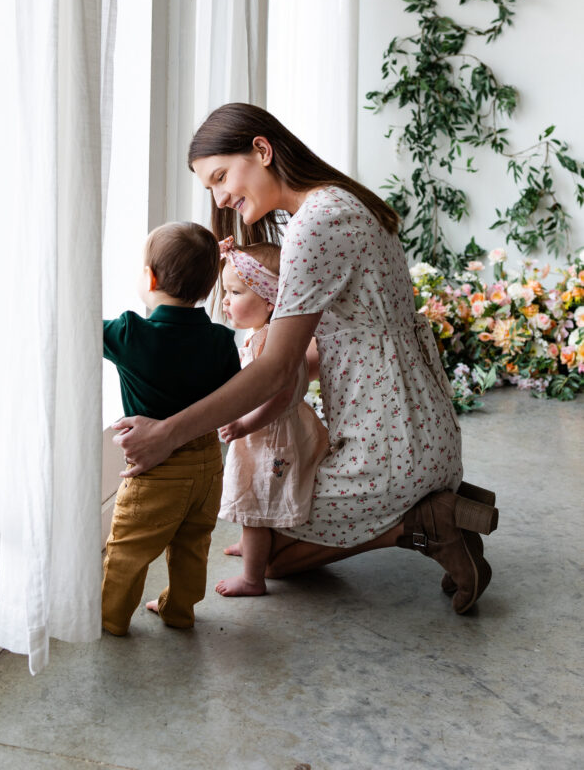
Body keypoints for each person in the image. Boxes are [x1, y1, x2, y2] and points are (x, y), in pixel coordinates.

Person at [111, 104, 498, 615]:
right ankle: (434, 507)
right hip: (423, 433)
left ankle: (427, 524)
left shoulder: (316, 224)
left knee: (266, 548)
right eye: (210, 188)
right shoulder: (336, 205)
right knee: (260, 532)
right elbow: (320, 350)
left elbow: (277, 368)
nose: (221, 197)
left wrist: (169, 434)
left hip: (390, 448)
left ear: (262, 151)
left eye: (221, 176)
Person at [101, 221, 240, 634]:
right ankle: (179, 610)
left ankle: (111, 619)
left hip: (157, 472)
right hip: (207, 465)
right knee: (192, 545)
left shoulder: (130, 333)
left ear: (149, 277)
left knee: (128, 550)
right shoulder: (220, 339)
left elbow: (79, 323)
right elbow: (229, 394)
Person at [215, 237, 329, 597]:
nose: (225, 301)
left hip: (270, 436)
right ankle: (252, 546)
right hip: (266, 434)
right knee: (253, 494)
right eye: (225, 291)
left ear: (268, 302)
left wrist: (244, 423)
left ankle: (253, 578)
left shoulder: (273, 344)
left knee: (258, 505)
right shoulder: (260, 335)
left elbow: (280, 397)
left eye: (234, 292)